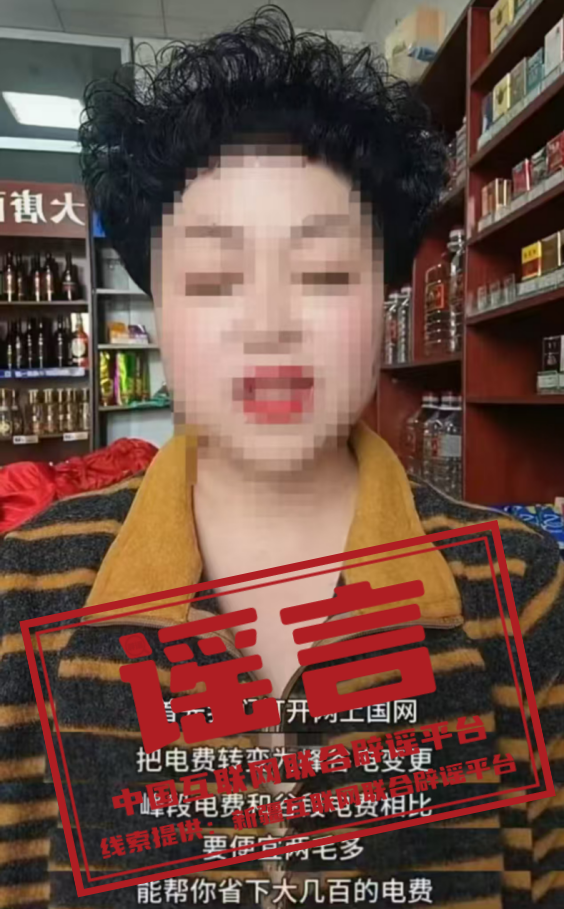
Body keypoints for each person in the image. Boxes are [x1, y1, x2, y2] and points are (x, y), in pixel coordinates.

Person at [1, 8, 562, 909]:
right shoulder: (28, 590)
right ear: (157, 311)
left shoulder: (519, 590)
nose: (268, 324)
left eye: (324, 273)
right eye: (214, 279)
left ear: (385, 299)